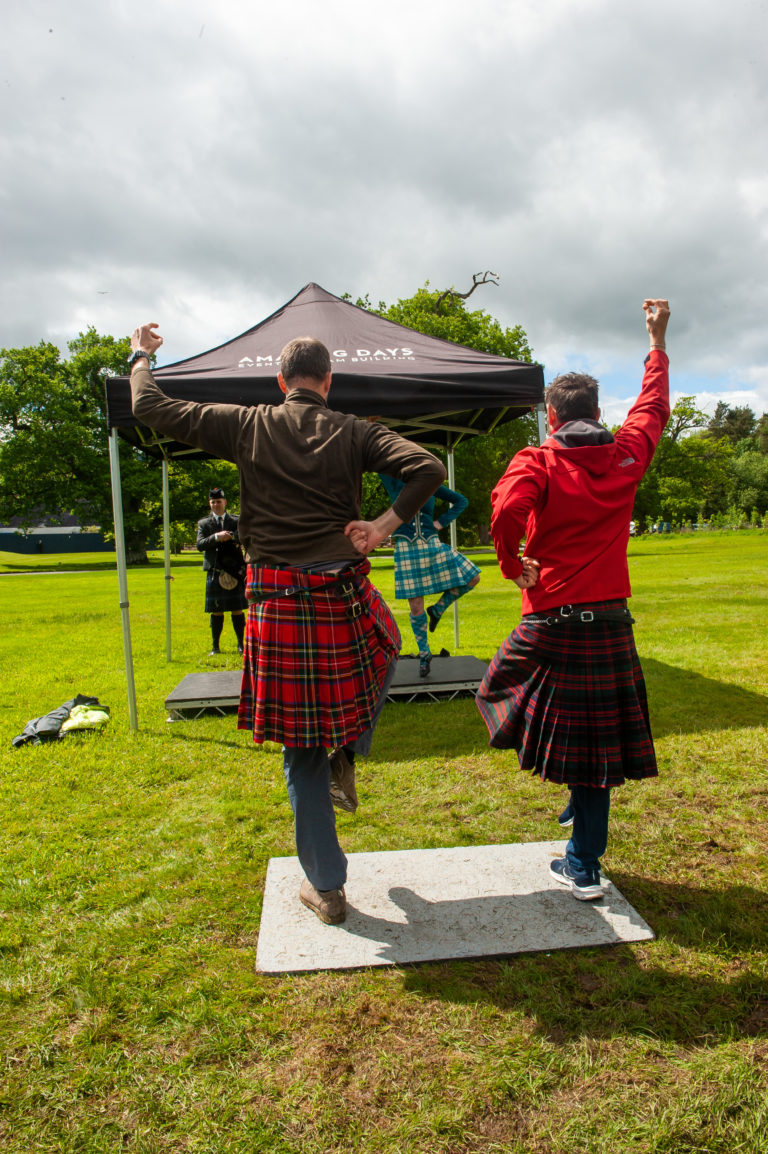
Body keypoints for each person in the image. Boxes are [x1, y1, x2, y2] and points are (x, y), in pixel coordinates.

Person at [127, 328, 445, 925]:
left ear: (282, 382)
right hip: (342, 592)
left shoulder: (248, 422)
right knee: (392, 643)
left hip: (275, 600)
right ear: (328, 383)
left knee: (302, 750)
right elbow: (426, 467)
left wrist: (142, 356)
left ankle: (326, 888)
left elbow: (149, 405)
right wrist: (381, 526)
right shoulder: (355, 429)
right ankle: (347, 748)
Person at [475, 299, 670, 901]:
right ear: (598, 413)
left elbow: (505, 510)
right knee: (591, 742)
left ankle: (582, 865)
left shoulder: (537, 458)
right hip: (609, 622)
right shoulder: (628, 454)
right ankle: (573, 781)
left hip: (551, 619)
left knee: (493, 689)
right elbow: (654, 406)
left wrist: (515, 567)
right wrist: (656, 340)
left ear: (552, 417)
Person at [377, 474, 480, 677]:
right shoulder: (392, 479)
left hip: (432, 542)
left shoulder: (430, 481)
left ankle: (438, 610)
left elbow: (461, 501)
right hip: (406, 547)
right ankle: (424, 654)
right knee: (416, 605)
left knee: (472, 577)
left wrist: (441, 522)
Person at [196, 486, 247, 656]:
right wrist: (216, 537)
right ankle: (215, 647)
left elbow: (247, 537)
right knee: (216, 610)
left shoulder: (236, 521)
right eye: (213, 502)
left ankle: (241, 645)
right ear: (210, 504)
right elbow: (200, 545)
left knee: (237, 608)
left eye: (219, 501)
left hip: (235, 570)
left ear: (225, 502)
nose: (216, 504)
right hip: (215, 569)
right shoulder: (204, 523)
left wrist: (232, 536)